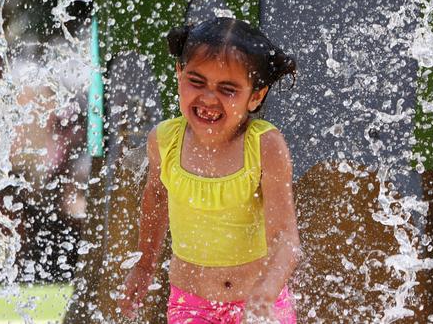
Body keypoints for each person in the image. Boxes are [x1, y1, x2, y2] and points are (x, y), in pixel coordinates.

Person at [118, 17, 301, 323]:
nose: (208, 98)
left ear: (255, 96)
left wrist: (266, 292)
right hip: (191, 305)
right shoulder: (164, 141)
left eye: (227, 89)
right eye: (196, 81)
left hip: (258, 303)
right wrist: (144, 266)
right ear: (179, 74)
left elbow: (286, 238)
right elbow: (156, 201)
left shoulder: (264, 146)